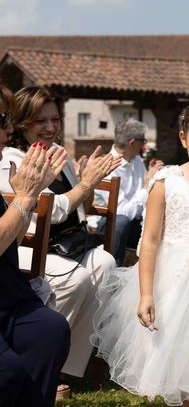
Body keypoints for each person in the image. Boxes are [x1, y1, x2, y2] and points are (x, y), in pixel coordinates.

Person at [91, 101, 189, 407]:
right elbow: (150, 241)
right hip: (172, 287)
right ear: (182, 138)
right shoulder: (167, 182)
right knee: (175, 354)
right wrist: (146, 294)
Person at [0, 86, 119, 392]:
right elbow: (49, 210)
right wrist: (86, 184)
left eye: (55, 119)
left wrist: (86, 180)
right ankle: (50, 365)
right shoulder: (12, 158)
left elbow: (79, 206)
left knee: (106, 264)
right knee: (76, 279)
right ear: (22, 123)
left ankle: (70, 366)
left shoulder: (58, 156)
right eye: (41, 121)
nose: (50, 128)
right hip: (29, 244)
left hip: (66, 244)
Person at [0, 84, 70, 407]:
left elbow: (13, 237)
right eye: (3, 121)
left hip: (8, 296)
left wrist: (26, 201)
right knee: (9, 371)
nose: (9, 131)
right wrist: (27, 198)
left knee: (50, 331)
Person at [98, 119, 164, 266]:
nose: (144, 145)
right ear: (132, 142)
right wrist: (147, 187)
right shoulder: (107, 166)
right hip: (111, 226)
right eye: (143, 141)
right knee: (121, 223)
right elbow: (121, 213)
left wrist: (154, 178)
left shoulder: (137, 161)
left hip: (135, 222)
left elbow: (144, 199)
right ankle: (113, 275)